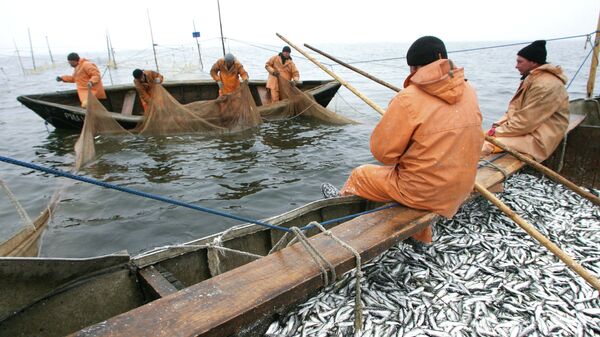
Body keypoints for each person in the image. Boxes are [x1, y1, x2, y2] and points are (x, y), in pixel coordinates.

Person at [322, 36, 484, 244]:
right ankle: (420, 239)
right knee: (416, 176)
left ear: (413, 68)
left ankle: (341, 222)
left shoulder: (407, 98)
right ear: (444, 59)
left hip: (426, 193)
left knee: (360, 175)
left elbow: (383, 154)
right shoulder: (470, 90)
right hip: (463, 185)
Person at [481, 40, 569, 162]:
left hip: (539, 139)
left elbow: (525, 123)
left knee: (481, 146)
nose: (516, 66)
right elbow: (514, 111)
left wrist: (496, 132)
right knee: (475, 137)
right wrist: (495, 127)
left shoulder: (545, 85)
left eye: (520, 62)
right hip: (528, 131)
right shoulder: (533, 79)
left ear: (533, 62)